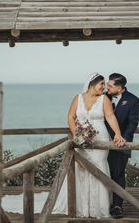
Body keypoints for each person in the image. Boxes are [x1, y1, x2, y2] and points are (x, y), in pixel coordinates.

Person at [52, 72, 125, 218]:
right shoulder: (78, 98)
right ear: (92, 84)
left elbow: (110, 116)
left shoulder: (104, 99)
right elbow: (71, 117)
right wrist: (77, 135)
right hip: (81, 140)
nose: (103, 87)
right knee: (80, 168)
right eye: (101, 84)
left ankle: (98, 207)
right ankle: (79, 205)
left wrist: (118, 134)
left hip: (100, 138)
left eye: (105, 84)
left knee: (98, 167)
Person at [105, 73, 139, 218]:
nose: (107, 87)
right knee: (102, 172)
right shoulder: (104, 97)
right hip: (101, 142)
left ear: (119, 88)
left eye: (110, 85)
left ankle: (117, 206)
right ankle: (103, 202)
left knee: (118, 173)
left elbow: (133, 122)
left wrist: (123, 139)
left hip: (121, 145)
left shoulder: (133, 100)